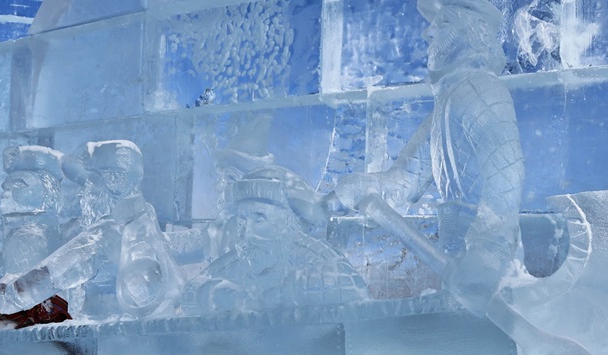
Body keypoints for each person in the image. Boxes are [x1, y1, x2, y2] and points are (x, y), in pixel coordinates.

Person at [336, 0, 529, 314]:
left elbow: (506, 179)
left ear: (471, 31)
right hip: (454, 263)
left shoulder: (483, 92)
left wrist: (486, 262)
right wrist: (363, 185)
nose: (428, 33)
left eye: (442, 24)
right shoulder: (449, 104)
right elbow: (404, 183)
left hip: (491, 280)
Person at [0, 140, 184, 321]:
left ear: (119, 180)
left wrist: (9, 297)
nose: (86, 193)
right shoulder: (141, 225)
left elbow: (58, 270)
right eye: (87, 184)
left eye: (94, 182)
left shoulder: (114, 229)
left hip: (120, 341)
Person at [185, 170, 368, 313]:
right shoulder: (236, 262)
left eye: (259, 219)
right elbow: (190, 292)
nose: (246, 233)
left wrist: (290, 292)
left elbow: (354, 290)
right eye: (241, 221)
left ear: (287, 223)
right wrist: (214, 293)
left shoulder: (315, 256)